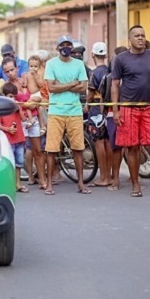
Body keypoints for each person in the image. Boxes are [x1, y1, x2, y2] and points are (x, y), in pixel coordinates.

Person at [111, 25, 150, 197]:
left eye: (143, 35)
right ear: (130, 40)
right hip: (128, 108)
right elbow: (115, 85)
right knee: (132, 148)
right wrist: (116, 110)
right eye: (137, 36)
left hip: (147, 107)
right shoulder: (121, 59)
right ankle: (135, 185)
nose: (140, 38)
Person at [43, 36, 89, 195]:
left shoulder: (79, 64)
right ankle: (49, 183)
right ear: (57, 48)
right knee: (52, 149)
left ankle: (81, 183)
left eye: (68, 44)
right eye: (62, 45)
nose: (66, 47)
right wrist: (71, 84)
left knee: (78, 148)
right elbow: (51, 88)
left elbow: (83, 87)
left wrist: (61, 86)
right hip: (56, 111)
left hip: (75, 111)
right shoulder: (51, 64)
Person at [99, 46, 128, 191]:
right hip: (112, 114)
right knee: (115, 147)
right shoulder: (109, 77)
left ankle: (135, 178)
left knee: (132, 147)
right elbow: (104, 97)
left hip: (131, 112)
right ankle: (114, 178)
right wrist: (104, 114)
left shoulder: (131, 76)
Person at [87, 42, 112, 188]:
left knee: (99, 142)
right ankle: (109, 175)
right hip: (108, 110)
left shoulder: (94, 73)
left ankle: (103, 177)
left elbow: (90, 95)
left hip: (96, 109)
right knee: (108, 142)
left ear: (93, 55)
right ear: (106, 55)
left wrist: (85, 105)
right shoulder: (110, 71)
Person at [22, 54, 46, 190]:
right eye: (31, 66)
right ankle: (30, 176)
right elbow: (23, 89)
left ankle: (42, 179)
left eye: (36, 66)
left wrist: (36, 76)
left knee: (38, 150)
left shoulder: (38, 75)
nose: (33, 68)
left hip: (36, 98)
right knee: (26, 149)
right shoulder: (25, 76)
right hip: (28, 104)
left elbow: (41, 85)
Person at [0, 82, 27, 192]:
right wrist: (8, 129)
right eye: (10, 97)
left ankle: (18, 183)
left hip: (19, 139)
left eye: (14, 97)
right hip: (8, 140)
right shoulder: (0, 109)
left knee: (19, 163)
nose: (13, 99)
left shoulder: (16, 108)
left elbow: (24, 119)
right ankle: (9, 184)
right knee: (9, 163)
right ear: (4, 96)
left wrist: (19, 110)